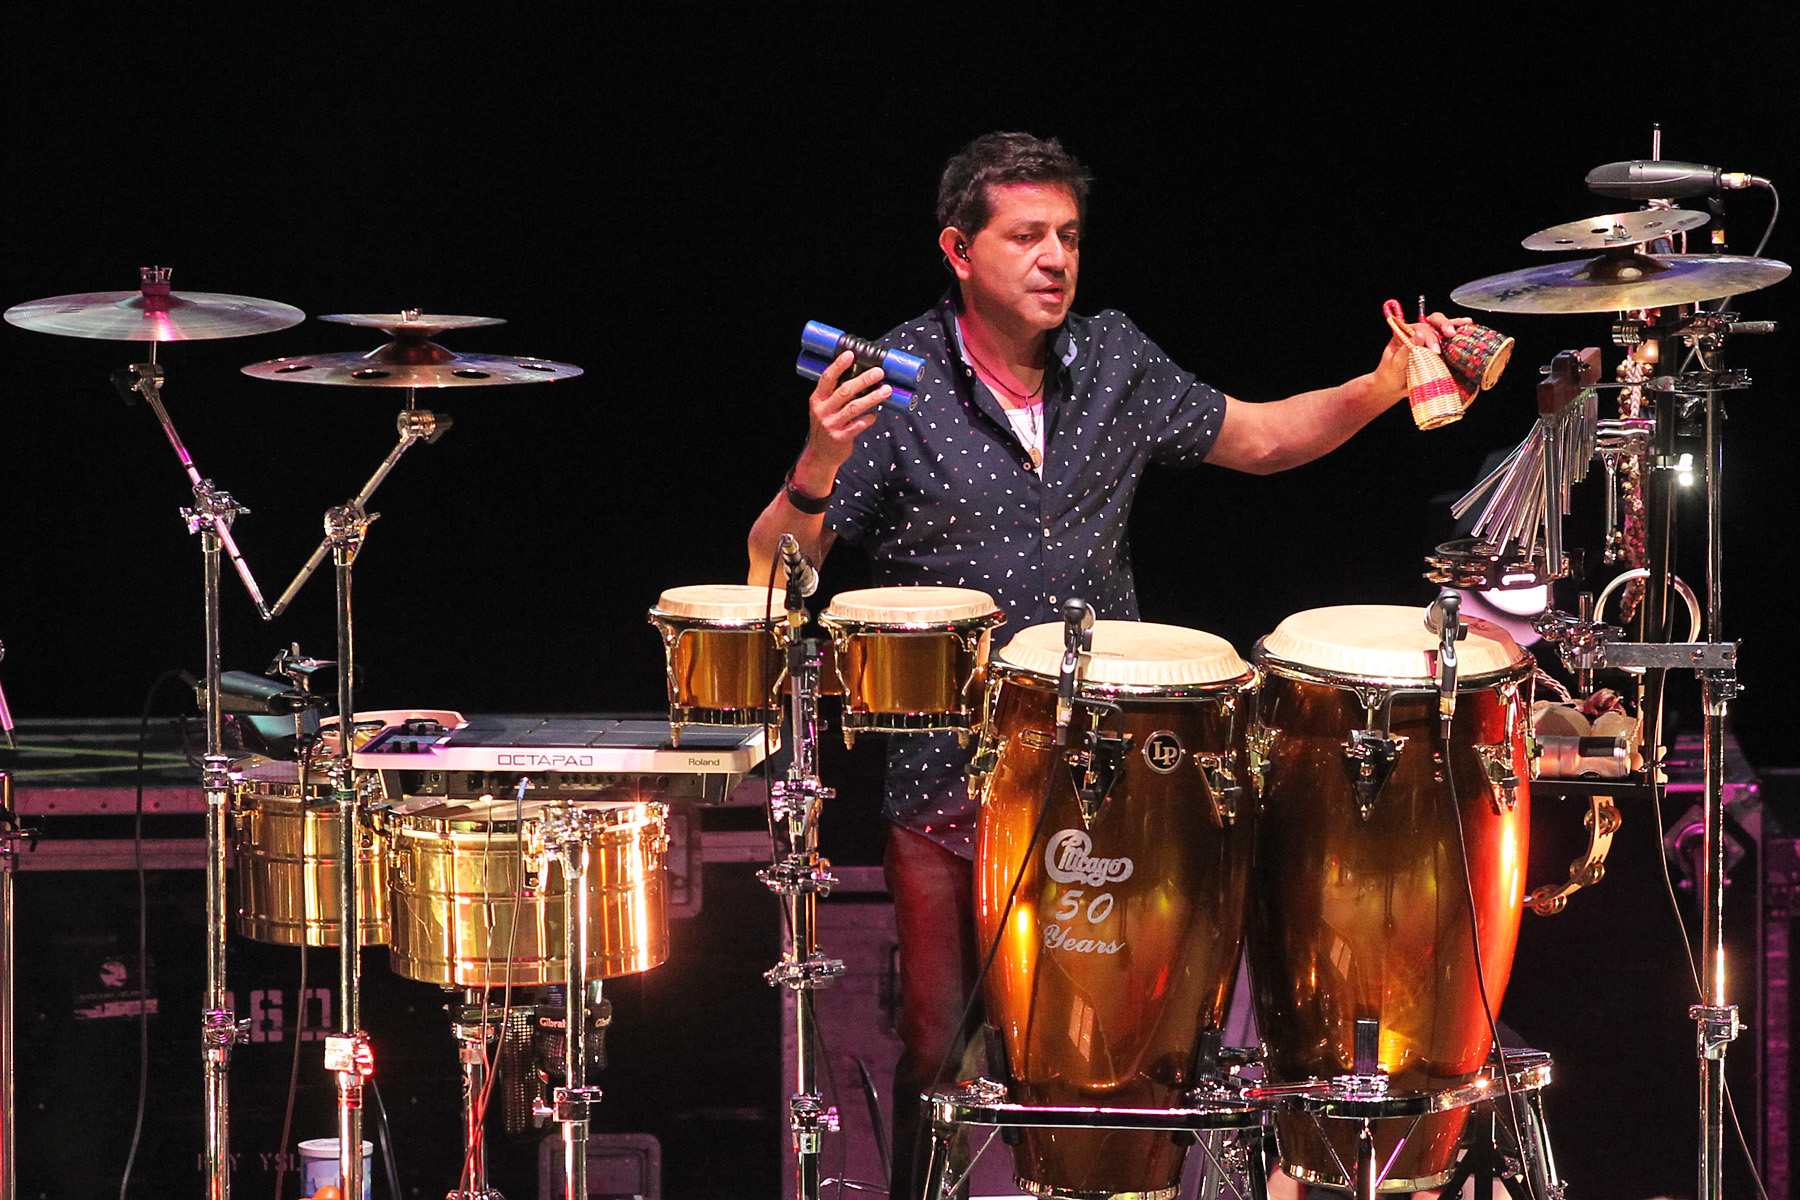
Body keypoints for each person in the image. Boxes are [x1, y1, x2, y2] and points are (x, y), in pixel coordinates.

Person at [747, 131, 1463, 1198]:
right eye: (1026, 236)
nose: (1055, 259)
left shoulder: (1115, 360)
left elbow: (1261, 438)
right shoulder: (896, 381)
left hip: (1113, 778)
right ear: (959, 250)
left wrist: (1381, 383)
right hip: (951, 777)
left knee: (1119, 1059)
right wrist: (817, 462)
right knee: (942, 1055)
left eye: (1070, 237)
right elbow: (772, 573)